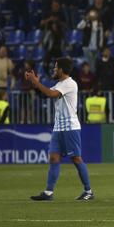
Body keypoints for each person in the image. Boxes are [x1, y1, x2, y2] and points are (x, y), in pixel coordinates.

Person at [27, 58, 94, 201]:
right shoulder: (60, 84)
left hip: (70, 127)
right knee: (53, 157)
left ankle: (88, 191)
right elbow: (45, 93)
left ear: (62, 70)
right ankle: (49, 192)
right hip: (58, 127)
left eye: (56, 67)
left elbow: (51, 94)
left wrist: (37, 82)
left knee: (76, 158)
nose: (53, 69)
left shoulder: (70, 84)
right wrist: (35, 83)